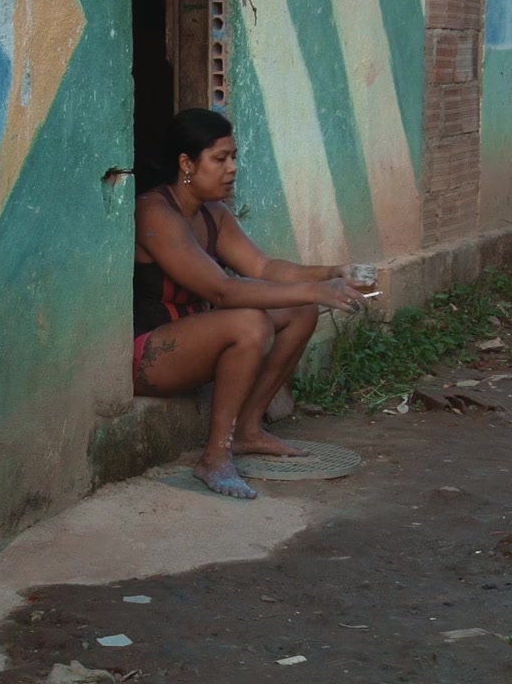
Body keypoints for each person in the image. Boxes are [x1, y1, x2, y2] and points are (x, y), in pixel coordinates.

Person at [133, 108, 367, 500]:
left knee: (299, 311)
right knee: (250, 323)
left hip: (193, 345)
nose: (232, 168)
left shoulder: (214, 213)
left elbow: (263, 267)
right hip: (149, 358)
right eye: (220, 159)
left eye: (234, 157)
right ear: (186, 163)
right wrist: (316, 290)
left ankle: (248, 430)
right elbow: (223, 291)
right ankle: (214, 457)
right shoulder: (154, 212)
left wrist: (333, 273)